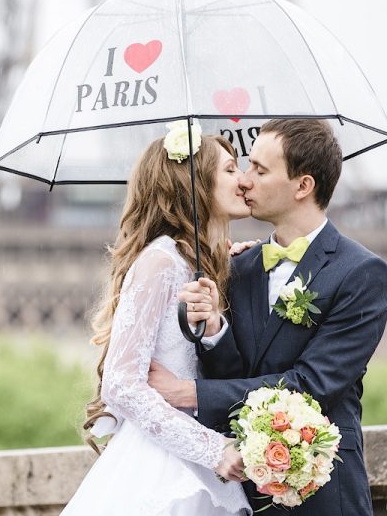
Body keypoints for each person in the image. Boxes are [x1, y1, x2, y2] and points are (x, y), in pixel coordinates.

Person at [148, 118, 387, 515]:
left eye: (260, 170)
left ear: (302, 186)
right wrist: (213, 330)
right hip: (244, 493)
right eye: (246, 167)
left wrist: (188, 393)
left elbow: (311, 385)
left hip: (325, 496)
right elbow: (238, 370)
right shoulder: (239, 267)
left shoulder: (361, 272)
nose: (244, 180)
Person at [61, 122, 253, 515]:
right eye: (231, 169)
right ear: (194, 182)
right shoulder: (160, 261)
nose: (244, 179)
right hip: (163, 466)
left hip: (190, 459)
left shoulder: (200, 264)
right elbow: (121, 384)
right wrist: (212, 450)